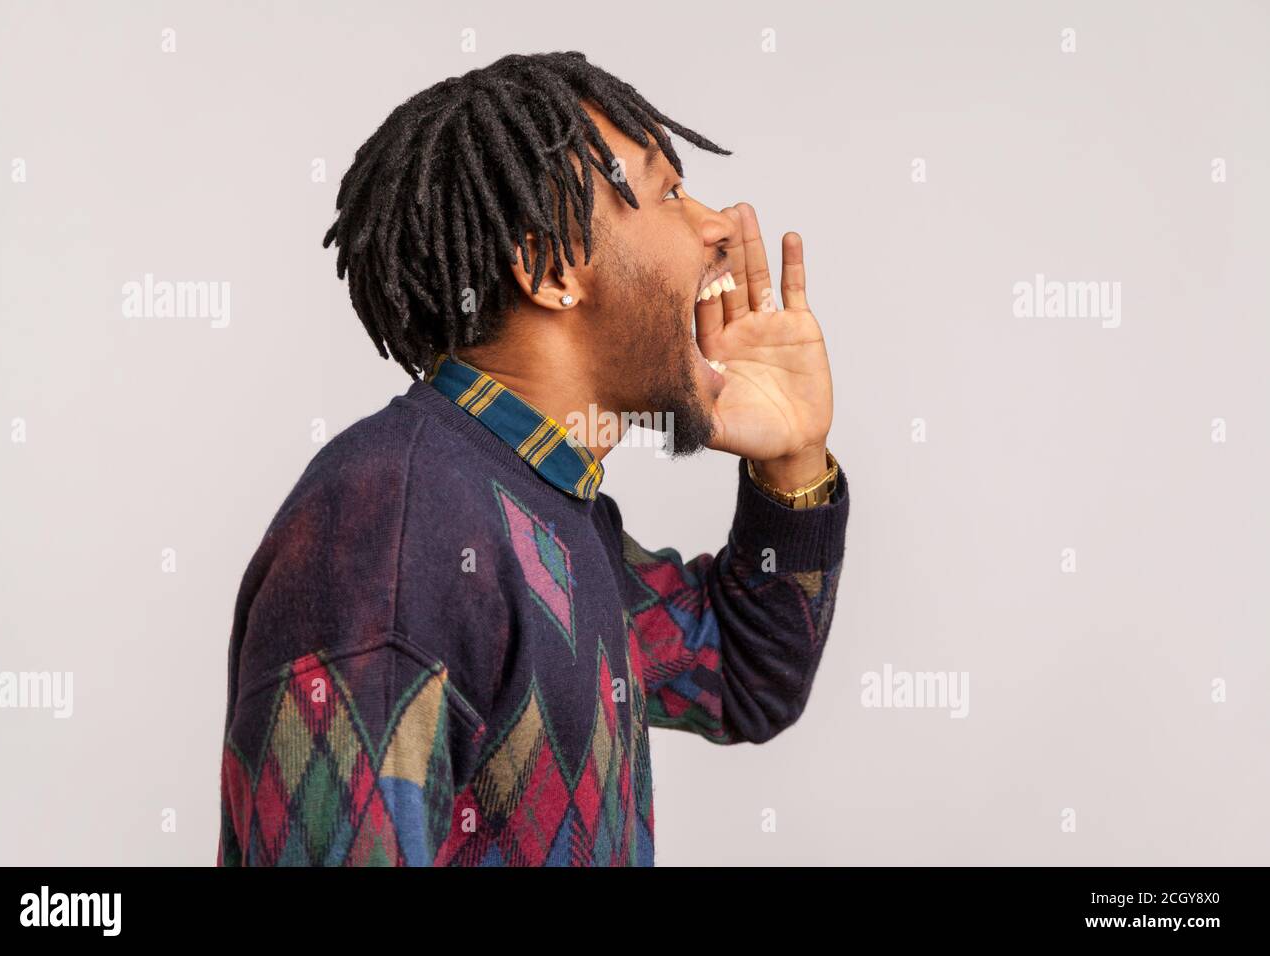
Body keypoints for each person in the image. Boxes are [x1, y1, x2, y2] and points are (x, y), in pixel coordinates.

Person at [217, 51, 850, 866]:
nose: (718, 224)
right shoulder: (395, 528)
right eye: (665, 192)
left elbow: (746, 676)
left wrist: (794, 457)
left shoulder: (547, 513)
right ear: (549, 268)